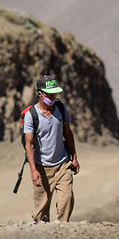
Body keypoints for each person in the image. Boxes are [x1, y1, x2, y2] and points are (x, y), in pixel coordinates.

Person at [23, 75, 80, 222]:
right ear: (40, 93)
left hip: (62, 164)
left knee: (66, 201)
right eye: (49, 94)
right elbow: (29, 144)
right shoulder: (31, 115)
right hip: (42, 168)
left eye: (55, 93)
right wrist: (33, 170)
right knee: (40, 217)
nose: (53, 96)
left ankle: (61, 233)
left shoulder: (61, 108)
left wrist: (74, 157)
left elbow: (67, 133)